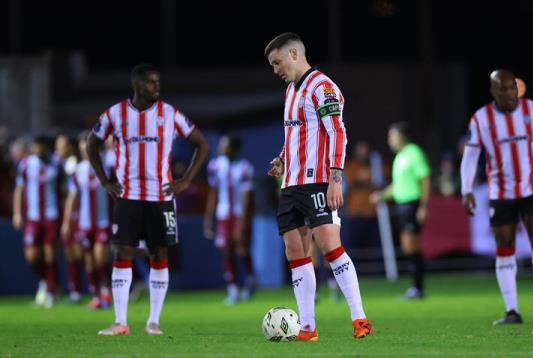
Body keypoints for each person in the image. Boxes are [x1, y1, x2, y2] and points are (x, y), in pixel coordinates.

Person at [87, 63, 209, 336]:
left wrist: (186, 180)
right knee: (122, 252)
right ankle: (120, 322)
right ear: (138, 85)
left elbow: (202, 143)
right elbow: (91, 143)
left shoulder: (170, 113)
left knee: (159, 253)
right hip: (128, 196)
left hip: (160, 197)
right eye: (152, 82)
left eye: (158, 82)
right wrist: (105, 180)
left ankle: (153, 321)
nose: (157, 86)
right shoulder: (115, 114)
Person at [265, 32, 372, 340]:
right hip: (291, 184)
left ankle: (359, 318)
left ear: (295, 55)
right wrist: (283, 160)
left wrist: (335, 178)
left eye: (277, 62)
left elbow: (337, 133)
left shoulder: (322, 87)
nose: (276, 70)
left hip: (318, 181)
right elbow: (293, 135)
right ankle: (307, 327)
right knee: (295, 251)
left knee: (329, 244)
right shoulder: (290, 91)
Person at [460, 69, 533, 325]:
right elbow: (470, 157)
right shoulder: (481, 119)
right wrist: (467, 189)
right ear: (493, 91)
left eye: (512, 87)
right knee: (504, 246)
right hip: (500, 192)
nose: (509, 93)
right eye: (503, 89)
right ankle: (512, 310)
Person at [369, 122, 431, 299]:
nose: (390, 140)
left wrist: (423, 206)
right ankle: (416, 288)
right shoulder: (400, 157)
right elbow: (397, 186)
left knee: (411, 245)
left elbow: (425, 178)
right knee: (407, 246)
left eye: (392, 135)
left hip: (412, 203)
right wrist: (381, 195)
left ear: (402, 136)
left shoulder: (414, 153)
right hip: (402, 205)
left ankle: (418, 288)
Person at [62, 132, 113, 310]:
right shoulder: (77, 170)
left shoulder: (107, 164)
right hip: (84, 223)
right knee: (89, 260)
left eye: (88, 144)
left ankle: (107, 289)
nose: (85, 148)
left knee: (101, 256)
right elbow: (72, 196)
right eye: (83, 145)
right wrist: (67, 222)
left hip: (103, 221)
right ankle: (96, 294)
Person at [204, 134, 257, 305]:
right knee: (226, 251)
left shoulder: (244, 167)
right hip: (223, 214)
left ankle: (250, 280)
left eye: (225, 145)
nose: (221, 148)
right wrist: (208, 218)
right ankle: (233, 289)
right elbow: (213, 193)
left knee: (242, 249)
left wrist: (241, 222)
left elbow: (246, 197)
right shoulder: (215, 165)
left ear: (233, 148)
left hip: (238, 213)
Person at [12, 137, 61, 307]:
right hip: (33, 216)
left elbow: (64, 188)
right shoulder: (26, 164)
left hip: (51, 215)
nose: (37, 149)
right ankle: (44, 281)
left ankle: (51, 291)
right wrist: (17, 213)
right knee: (32, 256)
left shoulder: (55, 163)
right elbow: (19, 189)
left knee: (49, 253)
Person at [54, 134, 84, 303]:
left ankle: (82, 289)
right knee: (70, 251)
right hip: (65, 210)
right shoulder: (60, 163)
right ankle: (75, 288)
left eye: (62, 146)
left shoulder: (72, 164)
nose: (59, 150)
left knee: (78, 251)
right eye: (58, 146)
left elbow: (72, 192)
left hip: (77, 213)